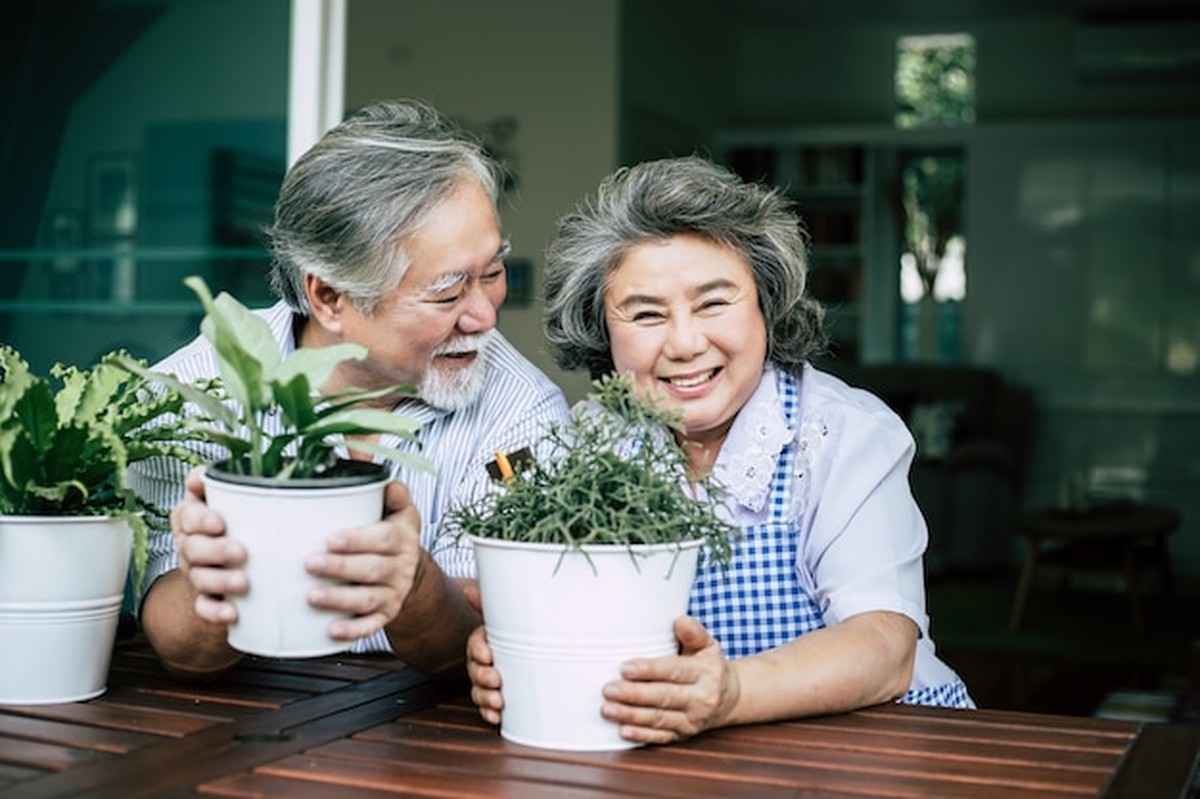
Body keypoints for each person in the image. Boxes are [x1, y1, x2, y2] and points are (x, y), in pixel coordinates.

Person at [464, 155, 974, 745]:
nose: (684, 343)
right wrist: (512, 650)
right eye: (646, 314)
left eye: (713, 303)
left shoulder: (841, 435)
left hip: (874, 750)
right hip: (686, 760)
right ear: (602, 330)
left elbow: (885, 646)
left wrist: (729, 691)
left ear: (766, 304)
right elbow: (567, 616)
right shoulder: (587, 441)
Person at [130, 99, 570, 680]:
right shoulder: (191, 393)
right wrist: (216, 579)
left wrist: (414, 582)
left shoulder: (522, 414)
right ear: (330, 298)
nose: (485, 316)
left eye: (491, 274)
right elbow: (181, 652)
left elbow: (485, 644)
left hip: (426, 720)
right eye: (446, 293)